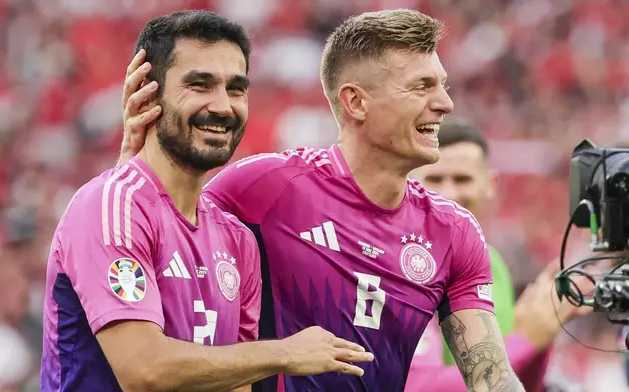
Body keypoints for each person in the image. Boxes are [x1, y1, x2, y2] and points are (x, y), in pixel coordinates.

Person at [119, 9, 527, 391]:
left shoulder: (453, 230)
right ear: (355, 101)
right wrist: (132, 163)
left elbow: (492, 379)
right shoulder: (264, 187)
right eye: (422, 87)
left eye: (442, 86)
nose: (445, 103)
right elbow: (159, 238)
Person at [40, 10, 373, 392]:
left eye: (236, 88)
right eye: (200, 85)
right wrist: (283, 353)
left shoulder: (236, 239)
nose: (222, 106)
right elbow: (143, 371)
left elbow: (235, 381)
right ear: (149, 94)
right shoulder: (110, 205)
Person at [405, 118, 591, 391]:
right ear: (410, 186)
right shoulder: (398, 270)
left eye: (462, 179)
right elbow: (424, 388)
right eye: (435, 179)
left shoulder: (492, 265)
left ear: (490, 184)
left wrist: (544, 329)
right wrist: (527, 339)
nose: (448, 192)